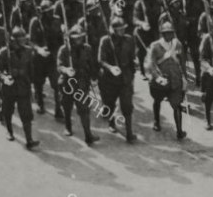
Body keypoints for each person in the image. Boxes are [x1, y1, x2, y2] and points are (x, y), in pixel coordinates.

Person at [0, 26, 40, 149]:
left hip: (23, 87)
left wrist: (33, 86)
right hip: (8, 87)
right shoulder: (4, 52)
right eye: (20, 39)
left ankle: (29, 139)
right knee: (8, 111)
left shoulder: (29, 51)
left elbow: (32, 70)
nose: (23, 41)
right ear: (13, 40)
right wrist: (4, 78)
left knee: (26, 114)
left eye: (24, 38)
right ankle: (9, 131)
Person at [56, 22, 99, 145]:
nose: (79, 40)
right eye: (76, 38)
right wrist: (66, 70)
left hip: (81, 82)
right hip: (67, 83)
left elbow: (91, 65)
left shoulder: (87, 48)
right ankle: (68, 127)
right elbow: (59, 66)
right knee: (67, 106)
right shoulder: (64, 50)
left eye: (81, 37)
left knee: (84, 109)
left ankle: (88, 134)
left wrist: (94, 78)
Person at [98, 15, 138, 143]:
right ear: (113, 30)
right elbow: (101, 60)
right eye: (119, 29)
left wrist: (133, 73)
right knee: (110, 102)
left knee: (127, 105)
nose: (122, 31)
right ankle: (111, 122)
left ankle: (129, 133)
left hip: (125, 76)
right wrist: (110, 68)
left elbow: (132, 58)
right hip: (110, 78)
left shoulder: (129, 40)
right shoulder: (105, 40)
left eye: (123, 28)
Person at [147, 18, 187, 139]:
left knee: (177, 105)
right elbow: (151, 64)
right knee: (157, 100)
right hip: (161, 81)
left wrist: (184, 77)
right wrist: (157, 77)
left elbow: (182, 61)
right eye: (166, 33)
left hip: (175, 80)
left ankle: (179, 131)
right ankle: (156, 121)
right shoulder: (155, 46)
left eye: (171, 32)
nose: (169, 35)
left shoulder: (177, 44)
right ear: (162, 34)